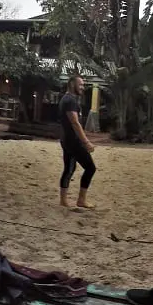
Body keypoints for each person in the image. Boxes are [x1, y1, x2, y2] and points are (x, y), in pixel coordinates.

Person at [59, 76, 96, 209]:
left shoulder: (66, 99)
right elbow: (74, 122)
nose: (82, 87)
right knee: (90, 168)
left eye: (83, 85)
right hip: (73, 141)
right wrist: (86, 142)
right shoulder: (70, 101)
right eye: (80, 85)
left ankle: (63, 200)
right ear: (72, 84)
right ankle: (81, 200)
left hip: (66, 140)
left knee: (69, 169)